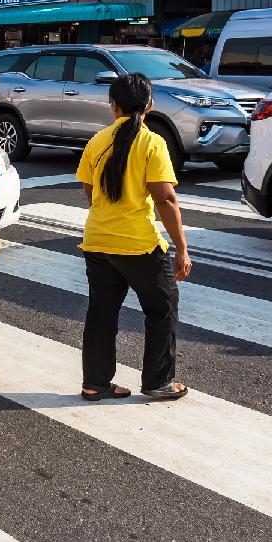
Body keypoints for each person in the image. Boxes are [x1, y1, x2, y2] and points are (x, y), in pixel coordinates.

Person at [75, 73, 192, 402]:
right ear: (150, 105)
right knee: (162, 308)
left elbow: (90, 192)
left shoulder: (97, 142)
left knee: (101, 313)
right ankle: (159, 381)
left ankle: (95, 383)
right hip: (139, 244)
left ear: (113, 106)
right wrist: (182, 248)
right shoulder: (152, 142)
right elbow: (165, 199)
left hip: (97, 240)